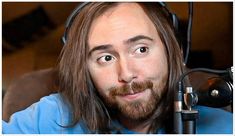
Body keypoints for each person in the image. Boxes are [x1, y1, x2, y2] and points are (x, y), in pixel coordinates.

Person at [2, 2, 232, 134]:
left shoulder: (222, 127)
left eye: (141, 49)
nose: (126, 74)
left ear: (173, 49)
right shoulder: (52, 117)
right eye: (106, 58)